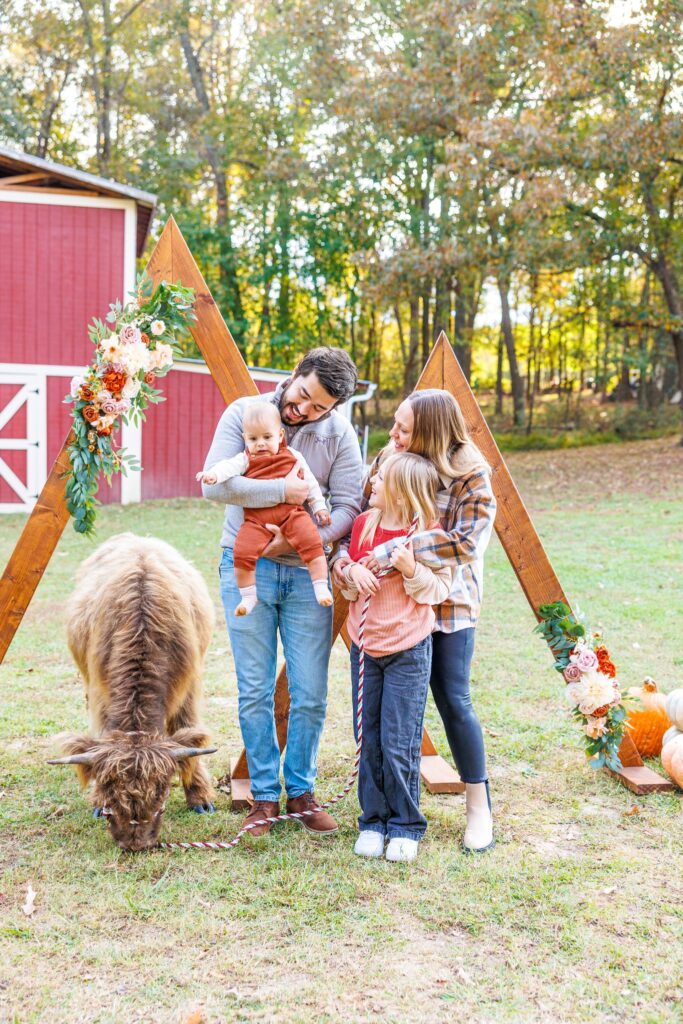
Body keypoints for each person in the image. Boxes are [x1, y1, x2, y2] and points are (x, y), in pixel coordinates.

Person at [202, 348, 362, 838]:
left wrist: (301, 535)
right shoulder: (244, 415)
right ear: (295, 374)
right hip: (245, 566)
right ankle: (263, 798)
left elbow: (350, 503)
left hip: (304, 575)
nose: (305, 412)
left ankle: (302, 791)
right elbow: (216, 487)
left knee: (310, 692)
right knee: (253, 689)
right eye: (304, 397)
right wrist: (283, 496)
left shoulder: (339, 433)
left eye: (319, 409)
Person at [334, 388, 497, 853]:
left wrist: (400, 553)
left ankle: (477, 805)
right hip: (388, 605)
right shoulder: (392, 458)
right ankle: (380, 813)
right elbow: (361, 522)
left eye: (403, 427)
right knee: (383, 719)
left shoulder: (471, 475)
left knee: (452, 696)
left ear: (429, 432)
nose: (393, 434)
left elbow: (466, 544)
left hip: (449, 599)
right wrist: (349, 561)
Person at [341, 453, 454, 863]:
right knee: (367, 736)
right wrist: (353, 576)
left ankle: (405, 824)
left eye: (381, 478)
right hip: (366, 646)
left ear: (402, 491)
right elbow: (350, 585)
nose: (371, 482)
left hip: (407, 648)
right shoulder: (363, 526)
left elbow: (438, 590)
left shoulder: (426, 535)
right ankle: (373, 820)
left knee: (399, 739)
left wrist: (410, 570)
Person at [197, 402, 333, 615]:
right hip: (256, 521)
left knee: (311, 539)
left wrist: (318, 507)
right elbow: (227, 468)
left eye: (267, 438)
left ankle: (320, 585)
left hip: (292, 515)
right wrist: (213, 475)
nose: (260, 444)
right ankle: (248, 596)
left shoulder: (294, 456)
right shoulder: (245, 459)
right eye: (253, 439)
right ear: (245, 439)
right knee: (242, 550)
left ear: (280, 436)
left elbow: (310, 483)